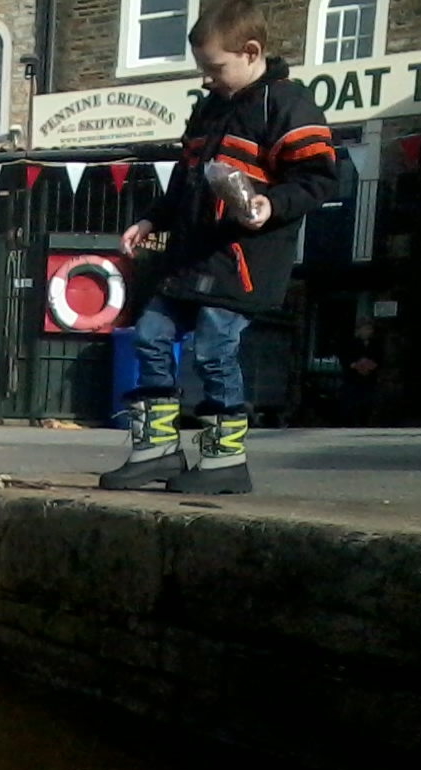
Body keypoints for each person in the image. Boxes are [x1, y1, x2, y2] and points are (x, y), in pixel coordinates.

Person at [100, 0, 339, 495]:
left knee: (214, 350)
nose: (207, 79)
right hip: (189, 256)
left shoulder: (287, 103)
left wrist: (271, 205)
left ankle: (224, 458)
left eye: (215, 68)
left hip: (242, 261)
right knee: (149, 332)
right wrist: (150, 218)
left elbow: (318, 178)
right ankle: (157, 450)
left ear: (251, 52)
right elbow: (186, 179)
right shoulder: (209, 108)